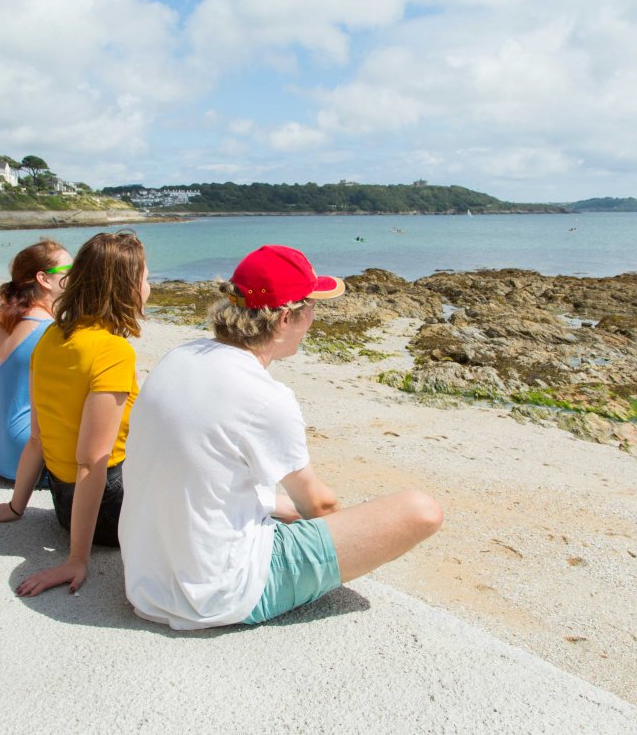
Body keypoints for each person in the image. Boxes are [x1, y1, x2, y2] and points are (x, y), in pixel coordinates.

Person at [118, 244, 443, 630]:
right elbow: (321, 506)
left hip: (146, 580)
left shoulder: (179, 357)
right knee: (421, 510)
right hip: (218, 593)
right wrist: (341, 540)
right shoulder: (266, 397)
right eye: (310, 307)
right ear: (285, 318)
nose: (314, 316)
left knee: (285, 504)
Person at [0, 231, 149, 597]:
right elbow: (93, 463)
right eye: (146, 278)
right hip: (110, 512)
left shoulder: (50, 336)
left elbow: (38, 437)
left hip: (64, 505)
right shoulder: (112, 350)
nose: (149, 286)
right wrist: (78, 558)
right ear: (127, 287)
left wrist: (16, 507)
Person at [0, 239, 72, 481]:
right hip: (25, 455)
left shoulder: (5, 322)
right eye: (69, 271)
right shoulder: (48, 329)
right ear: (44, 279)